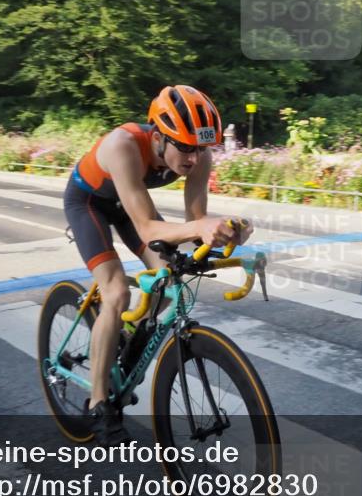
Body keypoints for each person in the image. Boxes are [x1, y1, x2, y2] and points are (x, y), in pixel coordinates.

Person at [63, 85, 252, 445]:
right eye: (185, 147)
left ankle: (128, 343)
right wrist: (200, 227)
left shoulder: (196, 154)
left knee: (168, 274)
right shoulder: (123, 146)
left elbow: (196, 223)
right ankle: (99, 401)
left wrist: (230, 231)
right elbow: (148, 228)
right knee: (116, 292)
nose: (195, 158)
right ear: (160, 136)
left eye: (201, 148)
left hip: (129, 205)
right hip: (88, 203)